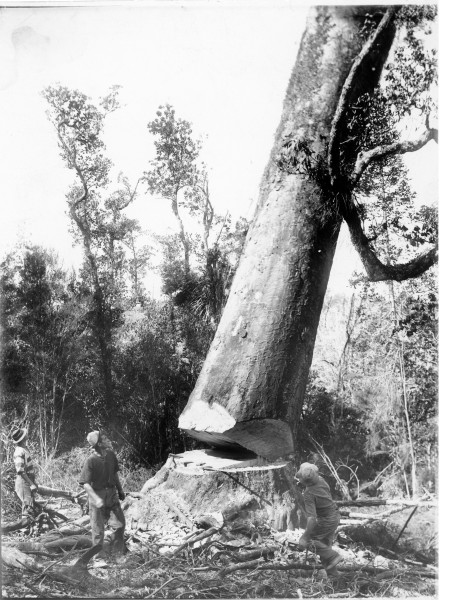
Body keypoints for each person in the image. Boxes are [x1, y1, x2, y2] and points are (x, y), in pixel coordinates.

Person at [79, 430, 126, 558]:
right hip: (97, 495)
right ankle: (98, 557)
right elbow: (85, 484)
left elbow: (114, 473)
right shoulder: (91, 460)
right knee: (98, 529)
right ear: (99, 444)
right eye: (104, 439)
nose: (107, 440)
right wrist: (96, 499)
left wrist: (120, 490)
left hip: (112, 493)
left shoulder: (111, 455)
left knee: (120, 524)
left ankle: (117, 554)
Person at [296, 462, 343, 577]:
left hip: (326, 519)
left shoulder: (308, 493)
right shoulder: (321, 480)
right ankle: (333, 574)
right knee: (324, 546)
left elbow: (312, 518)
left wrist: (304, 537)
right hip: (334, 515)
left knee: (309, 541)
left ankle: (334, 556)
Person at [12, 428, 37, 521]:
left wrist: (33, 482)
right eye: (25, 434)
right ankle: (25, 529)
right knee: (27, 508)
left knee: (30, 505)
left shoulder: (24, 449)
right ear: (22, 439)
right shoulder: (19, 451)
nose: (27, 435)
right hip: (23, 481)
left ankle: (32, 528)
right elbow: (20, 471)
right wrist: (31, 484)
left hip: (28, 479)